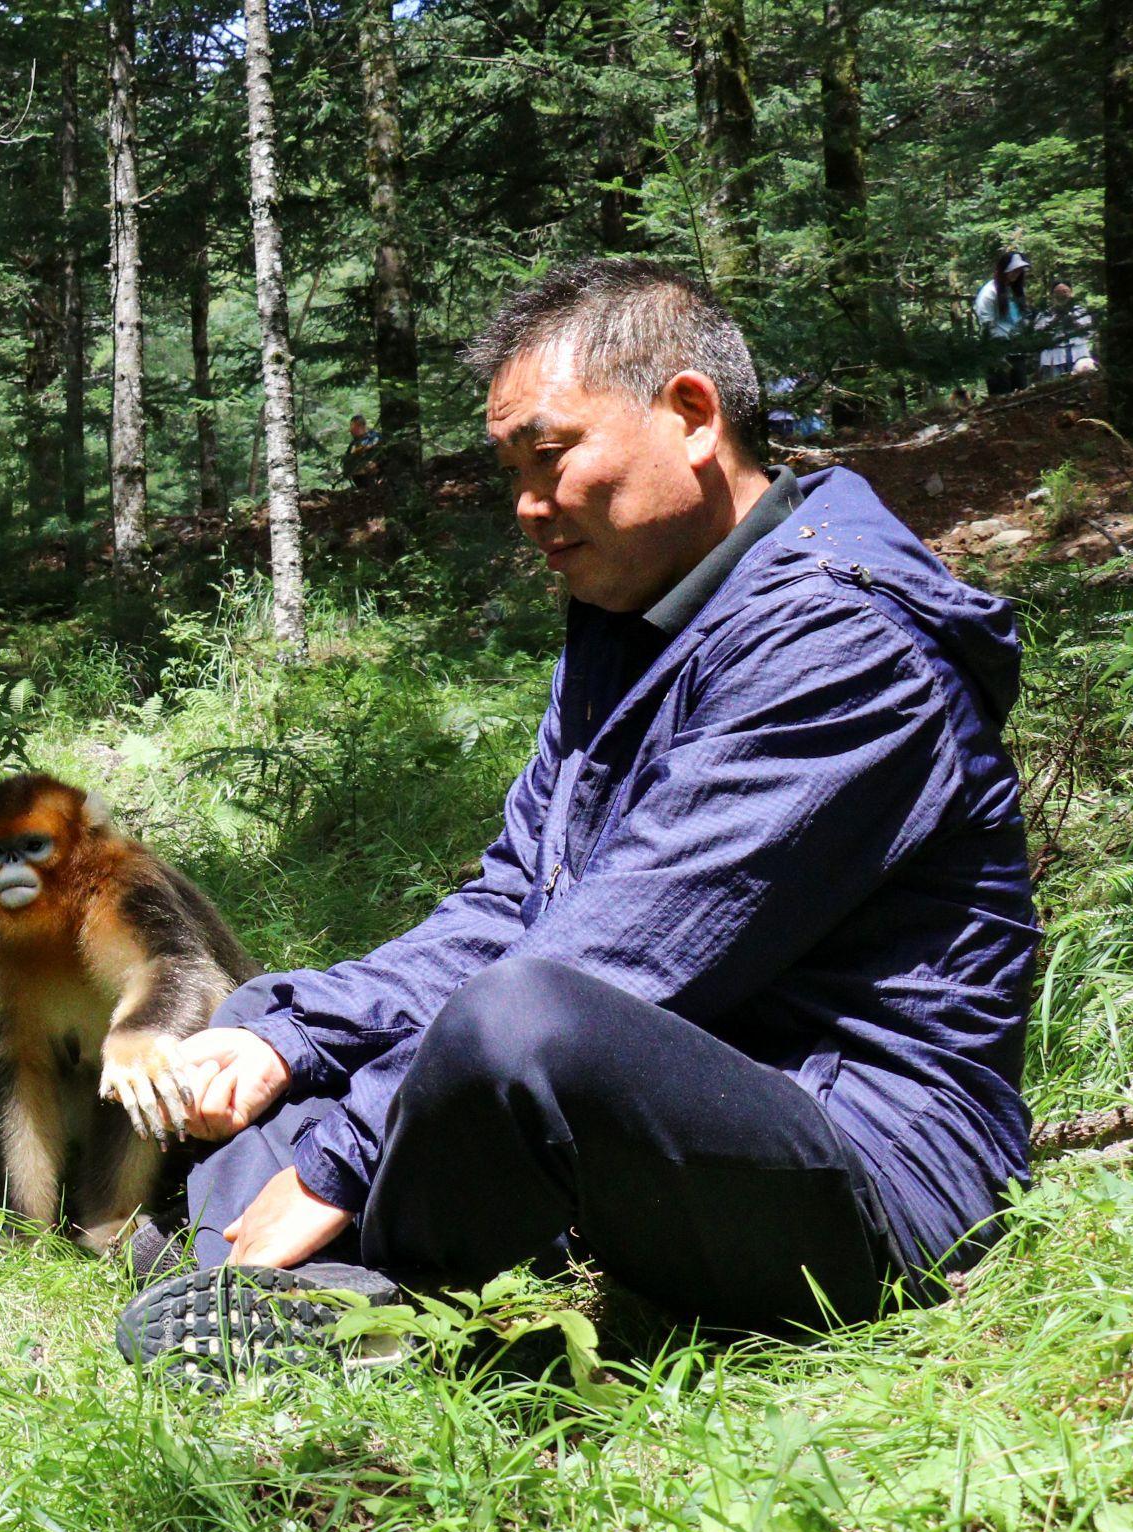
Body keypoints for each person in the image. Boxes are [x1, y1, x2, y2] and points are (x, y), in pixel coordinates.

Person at [115, 258, 1038, 1381]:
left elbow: (617, 961)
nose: (524, 506)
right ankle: (282, 1298)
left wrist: (343, 1158)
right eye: (510, 470)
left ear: (692, 415)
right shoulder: (637, 617)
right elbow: (519, 898)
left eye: (547, 458)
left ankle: (282, 1284)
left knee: (521, 1029)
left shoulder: (844, 646)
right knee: (268, 1020)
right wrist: (291, 1041)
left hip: (863, 1167)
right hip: (680, 1094)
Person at [976, 250, 1037, 395]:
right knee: (1001, 395)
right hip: (998, 352)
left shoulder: (1015, 291)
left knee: (1021, 393)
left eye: (1019, 270)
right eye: (1014, 270)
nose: (1016, 273)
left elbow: (1022, 318)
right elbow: (986, 323)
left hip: (1017, 350)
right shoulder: (989, 292)